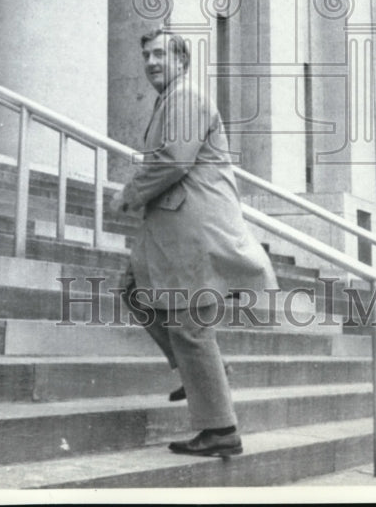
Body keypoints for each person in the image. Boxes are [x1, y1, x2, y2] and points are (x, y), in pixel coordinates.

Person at [109, 28, 277, 457]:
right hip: (175, 231)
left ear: (182, 61)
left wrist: (129, 193)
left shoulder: (185, 97)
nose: (151, 62)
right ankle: (198, 371)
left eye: (161, 54)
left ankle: (220, 430)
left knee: (188, 325)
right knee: (135, 291)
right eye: (146, 55)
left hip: (194, 233)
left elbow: (174, 160)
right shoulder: (173, 98)